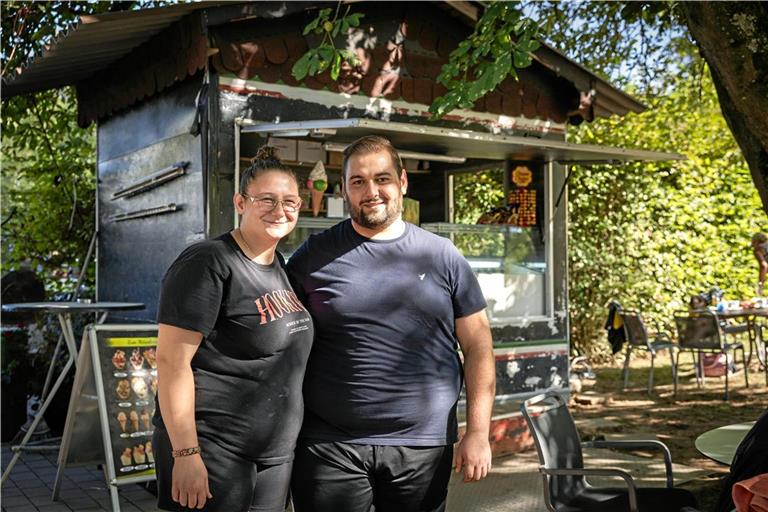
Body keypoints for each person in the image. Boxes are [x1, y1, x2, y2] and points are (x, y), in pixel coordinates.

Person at [287, 135, 496, 512]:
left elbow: (479, 345)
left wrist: (478, 431)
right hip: (330, 446)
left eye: (382, 179)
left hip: (423, 446)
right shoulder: (313, 256)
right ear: (346, 189)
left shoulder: (442, 256)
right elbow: (274, 331)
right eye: (358, 182)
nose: (371, 191)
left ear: (402, 182)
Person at [152, 147, 314, 511]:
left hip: (273, 454)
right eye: (267, 200)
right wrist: (186, 454)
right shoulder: (208, 262)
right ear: (240, 202)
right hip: (213, 449)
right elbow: (171, 362)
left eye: (289, 201)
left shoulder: (280, 267)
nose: (280, 210)